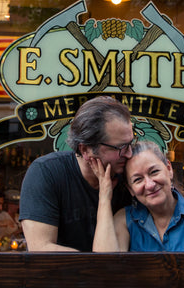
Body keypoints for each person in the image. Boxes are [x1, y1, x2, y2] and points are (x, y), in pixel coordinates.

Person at [19, 96, 134, 251]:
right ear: (85, 150)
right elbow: (41, 249)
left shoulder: (130, 175)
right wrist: (95, 267)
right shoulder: (47, 173)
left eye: (131, 143)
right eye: (120, 147)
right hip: (61, 275)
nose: (129, 154)